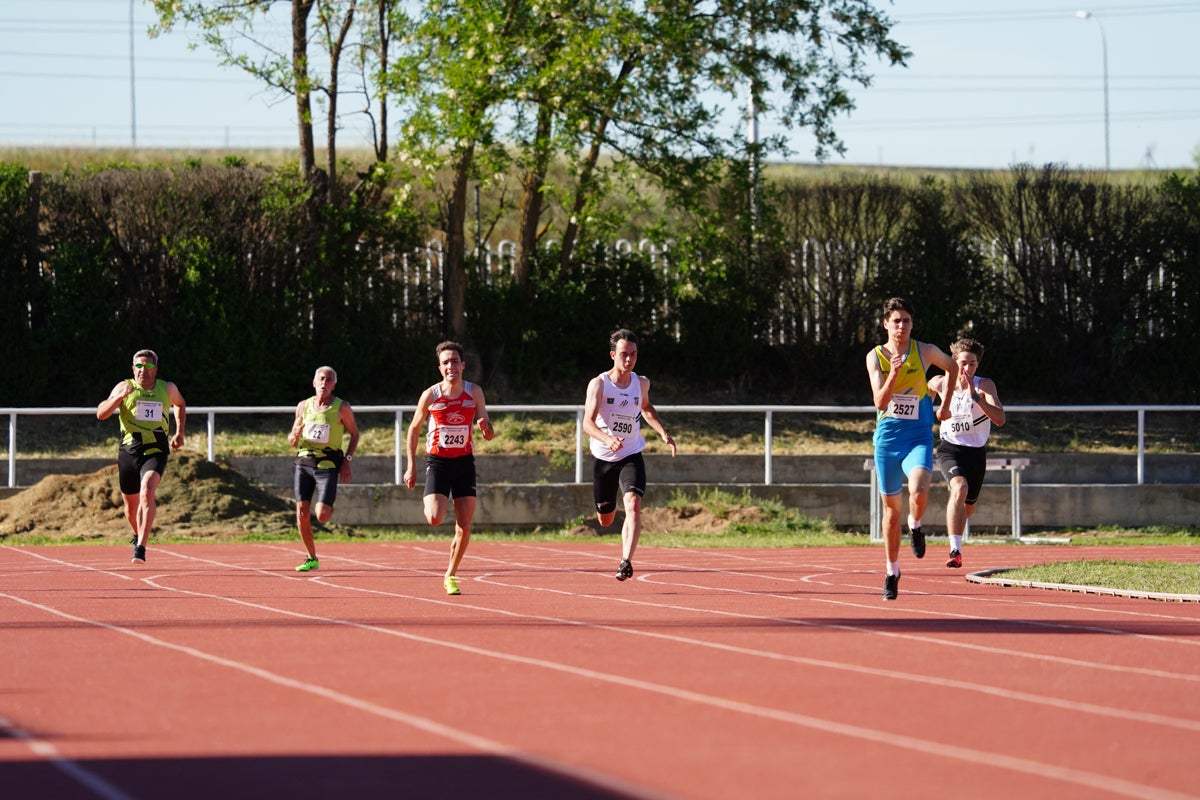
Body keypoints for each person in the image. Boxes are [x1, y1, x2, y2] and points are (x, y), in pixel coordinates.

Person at [865, 298, 957, 600]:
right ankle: (892, 571)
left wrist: (944, 405)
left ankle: (916, 524)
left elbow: (952, 366)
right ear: (886, 324)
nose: (901, 326)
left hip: (918, 435)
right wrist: (893, 373)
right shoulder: (875, 356)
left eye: (906, 320)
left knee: (919, 488)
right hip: (888, 440)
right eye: (896, 321)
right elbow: (880, 402)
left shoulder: (924, 350)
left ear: (912, 324)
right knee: (891, 513)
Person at [583, 328, 677, 582]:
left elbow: (646, 408)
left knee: (634, 505)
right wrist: (607, 438)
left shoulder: (641, 383)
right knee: (605, 520)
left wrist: (663, 433)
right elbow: (587, 424)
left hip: (631, 454)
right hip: (604, 458)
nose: (629, 360)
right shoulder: (599, 384)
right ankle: (610, 519)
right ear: (613, 355)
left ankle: (626, 561)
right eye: (624, 354)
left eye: (633, 354)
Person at [403, 341, 495, 595]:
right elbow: (413, 429)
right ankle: (431, 497)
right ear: (439, 367)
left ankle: (450, 575)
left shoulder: (474, 392)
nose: (450, 366)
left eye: (454, 361)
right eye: (445, 362)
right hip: (438, 463)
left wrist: (486, 428)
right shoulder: (431, 395)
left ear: (463, 365)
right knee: (434, 518)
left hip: (464, 462)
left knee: (464, 525)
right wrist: (411, 466)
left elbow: (488, 430)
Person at [96, 349, 187, 564]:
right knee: (131, 506)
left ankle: (141, 549)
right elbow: (101, 413)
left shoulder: (167, 388)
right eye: (138, 366)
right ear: (132, 369)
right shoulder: (124, 386)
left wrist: (179, 432)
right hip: (129, 450)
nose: (142, 371)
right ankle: (137, 535)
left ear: (155, 369)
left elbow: (180, 404)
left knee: (147, 491)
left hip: (156, 449)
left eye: (147, 367)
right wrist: (119, 398)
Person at [927, 338, 1006, 569]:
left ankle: (957, 532)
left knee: (968, 505)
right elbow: (929, 387)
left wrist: (977, 398)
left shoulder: (985, 385)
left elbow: (1000, 419)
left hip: (976, 452)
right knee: (959, 488)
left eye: (972, 364)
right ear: (953, 363)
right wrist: (933, 411)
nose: (966, 369)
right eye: (962, 363)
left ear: (977, 365)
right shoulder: (942, 382)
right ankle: (955, 550)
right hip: (949, 448)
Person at [287, 366, 360, 572]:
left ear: (333, 385)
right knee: (301, 513)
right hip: (304, 462)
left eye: (328, 380)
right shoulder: (303, 406)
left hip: (328, 463)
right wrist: (293, 436)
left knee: (322, 515)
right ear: (314, 382)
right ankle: (311, 557)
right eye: (321, 379)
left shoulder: (341, 407)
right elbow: (292, 438)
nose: (324, 383)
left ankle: (328, 503)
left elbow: (355, 434)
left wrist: (347, 460)